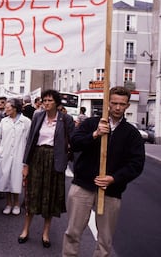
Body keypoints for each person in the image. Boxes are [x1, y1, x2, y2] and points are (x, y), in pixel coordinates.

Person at [62, 86, 145, 257]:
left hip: (111, 191)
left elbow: (136, 164)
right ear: (108, 102)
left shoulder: (132, 133)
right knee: (72, 233)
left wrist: (114, 178)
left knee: (105, 240)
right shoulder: (92, 123)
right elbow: (75, 143)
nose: (117, 107)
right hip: (83, 187)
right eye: (114, 103)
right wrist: (95, 134)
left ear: (127, 106)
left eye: (121, 104)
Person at [19, 89, 74, 248]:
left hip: (54, 160)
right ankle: (25, 229)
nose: (47, 103)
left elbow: (73, 140)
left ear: (56, 102)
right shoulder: (38, 116)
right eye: (44, 101)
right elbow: (30, 141)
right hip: (37, 158)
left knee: (49, 197)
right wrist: (26, 164)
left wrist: (67, 155)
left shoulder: (66, 119)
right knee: (32, 195)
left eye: (50, 100)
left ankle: (45, 233)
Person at [0, 99, 31, 216]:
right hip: (5, 154)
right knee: (6, 179)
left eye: (8, 107)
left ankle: (16, 204)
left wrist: (27, 157)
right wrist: (0, 150)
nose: (6, 109)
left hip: (19, 154)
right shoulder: (4, 121)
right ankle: (8, 204)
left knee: (16, 180)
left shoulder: (26, 121)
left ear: (15, 108)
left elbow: (29, 140)